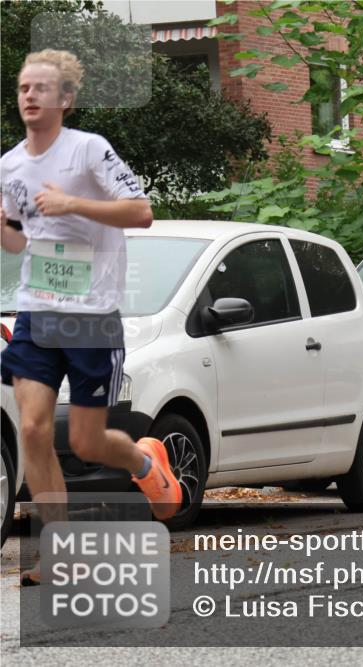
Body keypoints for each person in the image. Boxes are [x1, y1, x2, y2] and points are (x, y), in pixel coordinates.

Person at [0, 50, 182, 584]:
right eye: (22, 87)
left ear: (65, 99)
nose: (29, 95)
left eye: (41, 88)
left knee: (85, 442)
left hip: (92, 316)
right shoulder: (9, 164)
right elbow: (15, 241)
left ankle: (145, 462)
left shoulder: (89, 151)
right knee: (33, 428)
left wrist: (73, 205)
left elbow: (141, 212)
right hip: (38, 309)